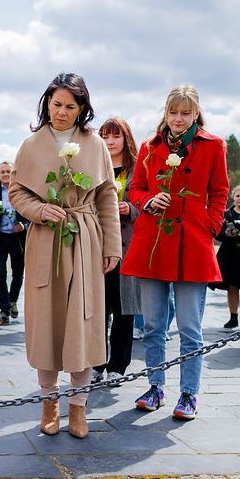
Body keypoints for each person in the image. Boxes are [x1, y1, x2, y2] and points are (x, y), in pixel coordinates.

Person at [8, 73, 120, 438]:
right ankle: (49, 405)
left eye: (70, 106)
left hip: (86, 240)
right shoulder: (31, 145)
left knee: (83, 325)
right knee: (47, 322)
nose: (61, 112)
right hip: (46, 241)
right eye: (56, 104)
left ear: (82, 108)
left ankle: (79, 409)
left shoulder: (96, 145)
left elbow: (106, 198)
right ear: (47, 103)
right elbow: (17, 193)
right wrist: (39, 211)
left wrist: (111, 246)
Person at [121, 85, 229, 420]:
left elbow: (220, 190)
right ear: (165, 114)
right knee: (153, 326)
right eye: (173, 113)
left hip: (193, 244)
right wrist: (148, 201)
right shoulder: (149, 148)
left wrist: (209, 225)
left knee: (189, 328)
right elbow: (135, 188)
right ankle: (156, 387)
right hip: (154, 242)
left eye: (186, 113)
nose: (179, 119)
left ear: (196, 113)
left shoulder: (213, 146)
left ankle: (189, 394)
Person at [93, 117, 142, 382]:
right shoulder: (94, 167)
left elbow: (146, 203)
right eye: (105, 136)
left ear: (126, 139)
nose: (110, 142)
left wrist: (130, 209)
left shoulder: (137, 169)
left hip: (128, 248)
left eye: (116, 137)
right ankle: (96, 364)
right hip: (98, 248)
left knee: (124, 311)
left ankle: (118, 366)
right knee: (98, 310)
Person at [0, 160, 27, 326]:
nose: (5, 174)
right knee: (0, 274)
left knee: (18, 274)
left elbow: (30, 213)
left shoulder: (22, 191)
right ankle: (4, 311)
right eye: (2, 172)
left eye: (8, 171)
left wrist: (23, 225)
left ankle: (12, 301)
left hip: (18, 239)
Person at [212, 185, 240, 328]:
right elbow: (216, 233)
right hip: (229, 255)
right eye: (238, 196)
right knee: (232, 287)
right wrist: (226, 234)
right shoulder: (226, 214)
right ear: (233, 197)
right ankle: (233, 317)